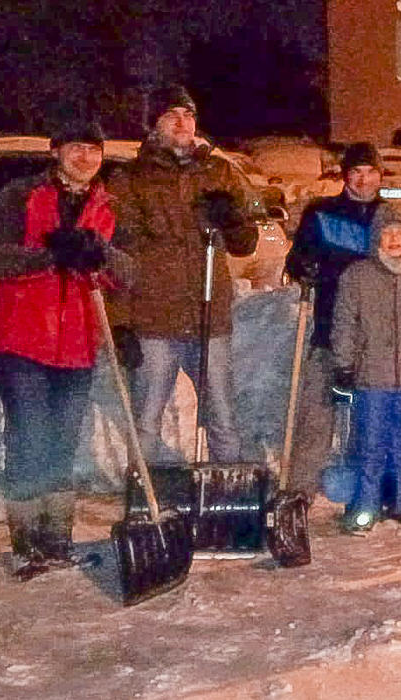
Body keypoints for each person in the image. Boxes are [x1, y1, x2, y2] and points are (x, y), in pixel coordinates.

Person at [0, 119, 133, 580]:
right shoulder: (20, 195)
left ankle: (57, 537)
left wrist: (99, 253)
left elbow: (129, 273)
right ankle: (27, 541)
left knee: (63, 442)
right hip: (21, 338)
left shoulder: (110, 204)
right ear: (56, 151)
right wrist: (49, 255)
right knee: (29, 438)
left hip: (77, 344)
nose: (85, 158)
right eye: (76, 148)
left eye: (93, 150)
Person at [108, 85, 256, 462]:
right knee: (146, 417)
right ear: (153, 126)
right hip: (154, 319)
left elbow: (245, 243)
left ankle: (226, 494)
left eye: (188, 115)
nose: (182, 122)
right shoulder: (131, 179)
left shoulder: (219, 170)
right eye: (171, 115)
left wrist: (232, 218)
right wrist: (121, 320)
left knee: (222, 415)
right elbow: (120, 254)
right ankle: (146, 497)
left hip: (209, 318)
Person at [283, 142, 401, 500]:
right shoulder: (323, 214)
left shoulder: (393, 218)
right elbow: (297, 258)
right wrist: (304, 266)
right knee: (316, 414)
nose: (363, 180)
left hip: (380, 340)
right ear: (345, 175)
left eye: (370, 172)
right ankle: (300, 489)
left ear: (380, 175)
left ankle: (368, 491)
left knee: (369, 422)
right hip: (330, 329)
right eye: (356, 172)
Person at [330, 208, 401, 533]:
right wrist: (344, 364)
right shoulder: (358, 276)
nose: (394, 240)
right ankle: (365, 506)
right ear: (377, 238)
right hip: (371, 377)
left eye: (400, 233)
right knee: (371, 444)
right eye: (387, 233)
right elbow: (345, 322)